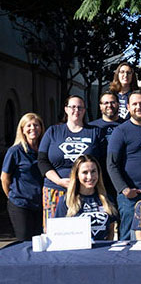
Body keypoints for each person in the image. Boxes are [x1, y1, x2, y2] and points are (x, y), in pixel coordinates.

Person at [38, 95, 103, 227]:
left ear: (84, 110)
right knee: (54, 231)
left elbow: (101, 161)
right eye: (72, 107)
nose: (76, 110)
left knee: (81, 231)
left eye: (80, 107)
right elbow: (42, 160)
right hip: (55, 189)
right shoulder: (53, 131)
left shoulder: (95, 132)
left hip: (85, 192)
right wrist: (59, 181)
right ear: (66, 109)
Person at [107, 90, 141, 240]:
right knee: (127, 238)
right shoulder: (121, 131)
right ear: (129, 107)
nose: (139, 107)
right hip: (131, 197)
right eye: (135, 104)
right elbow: (111, 164)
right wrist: (124, 190)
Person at [1, 113, 45, 241]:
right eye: (29, 125)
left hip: (41, 204)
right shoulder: (15, 151)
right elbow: (4, 178)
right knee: (24, 242)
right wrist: (11, 196)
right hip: (21, 205)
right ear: (22, 130)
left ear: (41, 128)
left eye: (36, 125)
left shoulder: (44, 150)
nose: (33, 128)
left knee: (40, 241)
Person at [55, 155, 117, 241]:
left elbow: (111, 231)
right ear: (76, 175)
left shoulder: (107, 199)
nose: (90, 177)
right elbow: (58, 233)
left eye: (93, 171)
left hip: (103, 251)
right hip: (77, 251)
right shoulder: (65, 201)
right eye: (85, 172)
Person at [89, 91, 124, 200]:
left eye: (113, 102)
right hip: (99, 178)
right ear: (100, 106)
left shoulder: (126, 125)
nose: (109, 105)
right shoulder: (91, 127)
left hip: (122, 176)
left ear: (118, 104)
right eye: (105, 103)